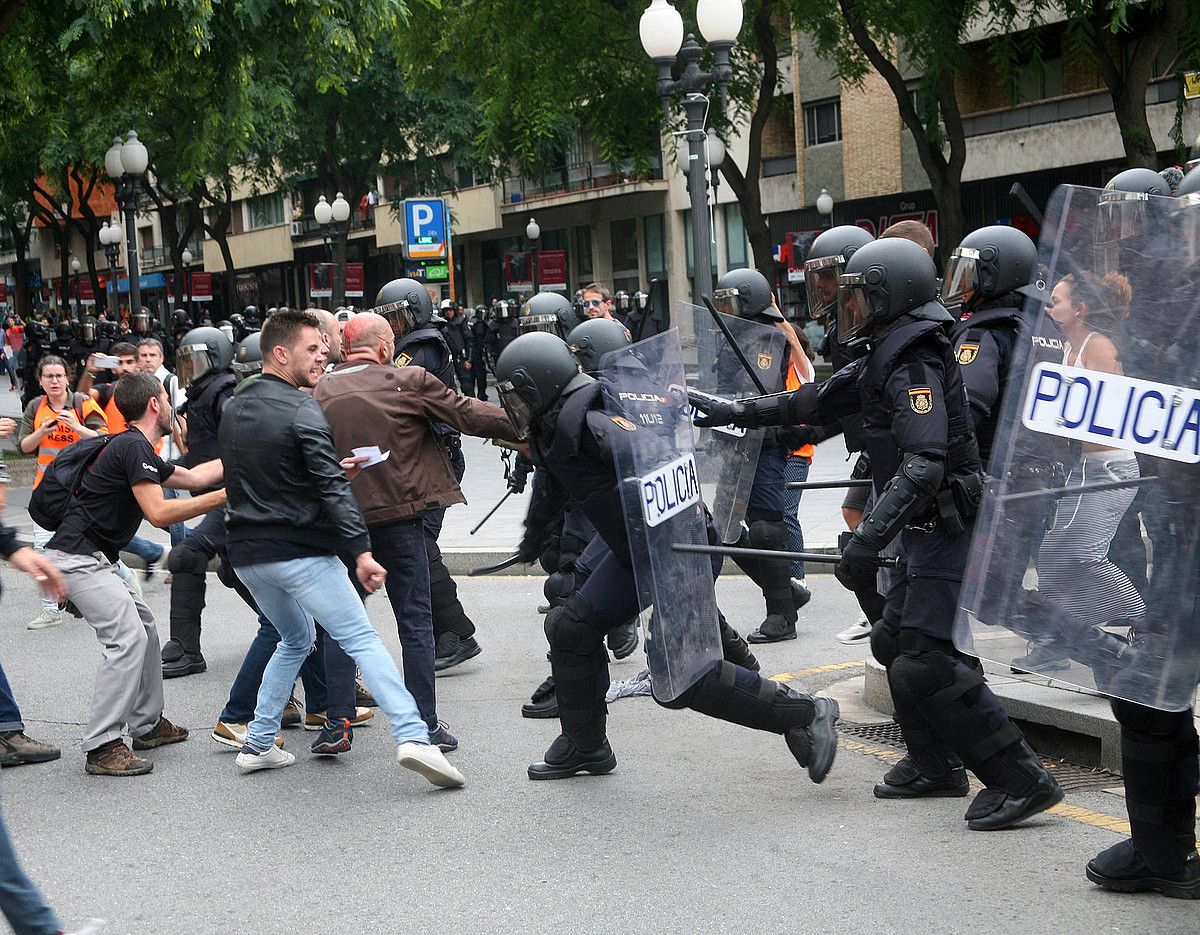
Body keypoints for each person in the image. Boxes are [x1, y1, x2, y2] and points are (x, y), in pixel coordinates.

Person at [692, 236, 1063, 829]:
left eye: (861, 298)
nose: (850, 308)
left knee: (926, 659)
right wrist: (727, 410)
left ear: (892, 298)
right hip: (925, 525)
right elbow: (813, 400)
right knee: (893, 643)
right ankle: (934, 765)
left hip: (948, 524)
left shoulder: (913, 358)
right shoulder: (887, 350)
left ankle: (1022, 780)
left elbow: (925, 462)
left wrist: (867, 541)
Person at [496, 331, 838, 782]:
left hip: (676, 543)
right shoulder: (558, 420)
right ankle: (585, 746)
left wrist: (643, 488)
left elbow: (653, 457)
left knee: (686, 677)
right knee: (571, 626)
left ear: (537, 385)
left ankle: (803, 713)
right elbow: (554, 480)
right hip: (637, 547)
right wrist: (534, 538)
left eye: (516, 397)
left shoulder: (592, 421)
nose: (513, 408)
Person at [218, 310, 464, 786]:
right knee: (362, 639)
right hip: (298, 552)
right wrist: (362, 551)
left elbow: (255, 478)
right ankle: (415, 736)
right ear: (281, 353)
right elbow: (330, 488)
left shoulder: (236, 406)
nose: (324, 355)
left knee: (296, 639)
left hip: (247, 555)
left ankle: (258, 741)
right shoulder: (301, 408)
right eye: (313, 348)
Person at [314, 312, 519, 750]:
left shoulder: (320, 389)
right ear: (386, 347)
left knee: (340, 624)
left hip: (347, 524)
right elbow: (467, 414)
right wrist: (524, 423)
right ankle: (425, 724)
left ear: (346, 348)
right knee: (415, 623)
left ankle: (337, 725)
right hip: (404, 518)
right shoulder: (408, 380)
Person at [44, 371, 226, 775]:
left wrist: (242, 457)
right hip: (76, 558)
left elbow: (195, 477)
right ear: (155, 405)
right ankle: (102, 744)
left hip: (94, 558)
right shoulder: (131, 448)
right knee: (126, 637)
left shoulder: (136, 449)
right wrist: (227, 496)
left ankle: (147, 724)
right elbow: (159, 514)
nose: (172, 407)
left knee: (144, 627)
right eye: (166, 397)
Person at [374, 279, 482, 671]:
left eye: (398, 317)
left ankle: (455, 633)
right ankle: (447, 634)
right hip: (426, 457)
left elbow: (391, 389)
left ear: (416, 311)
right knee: (417, 546)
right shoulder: (411, 345)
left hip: (436, 457)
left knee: (419, 545)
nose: (394, 326)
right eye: (387, 320)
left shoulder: (421, 346)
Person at [710, 268, 809, 643]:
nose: (724, 311)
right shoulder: (729, 340)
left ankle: (781, 615)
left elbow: (762, 391)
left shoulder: (769, 337)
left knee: (767, 529)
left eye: (729, 302)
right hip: (735, 445)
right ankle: (787, 587)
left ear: (749, 301)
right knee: (725, 533)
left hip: (765, 447)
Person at [803, 225, 878, 644]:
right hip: (867, 441)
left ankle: (886, 607)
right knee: (855, 518)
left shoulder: (866, 323)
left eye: (828, 275)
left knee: (867, 534)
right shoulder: (841, 324)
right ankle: (878, 607)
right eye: (818, 277)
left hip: (891, 443)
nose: (822, 285)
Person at [159, 327, 237, 677]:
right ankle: (293, 634)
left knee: (187, 554)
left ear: (217, 357)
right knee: (234, 569)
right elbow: (201, 455)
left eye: (197, 360)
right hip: (221, 494)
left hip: (236, 496)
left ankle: (187, 650)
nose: (190, 368)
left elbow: (237, 443)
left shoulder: (224, 391)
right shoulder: (202, 394)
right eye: (185, 361)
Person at [16, 356, 106, 630]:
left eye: (59, 376)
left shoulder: (82, 403)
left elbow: (105, 438)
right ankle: (50, 609)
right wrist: (42, 431)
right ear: (40, 381)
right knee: (43, 551)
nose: (54, 381)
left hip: (81, 490)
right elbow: (23, 447)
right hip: (46, 492)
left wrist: (76, 427)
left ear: (67, 378)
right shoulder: (35, 406)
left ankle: (124, 579)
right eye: (48, 377)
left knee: (92, 548)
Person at [76, 342, 168, 581]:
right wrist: (90, 370)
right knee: (126, 518)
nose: (125, 367)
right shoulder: (108, 390)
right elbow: (83, 396)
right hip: (121, 466)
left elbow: (172, 419)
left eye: (130, 361)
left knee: (161, 515)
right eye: (120, 362)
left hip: (149, 462)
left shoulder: (153, 389)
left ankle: (183, 555)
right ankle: (160, 553)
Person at [468, 305, 490, 400]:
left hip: (470, 350)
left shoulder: (471, 321)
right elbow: (480, 339)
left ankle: (471, 395)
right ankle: (481, 394)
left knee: (471, 375)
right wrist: (483, 354)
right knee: (480, 374)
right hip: (477, 351)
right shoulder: (479, 323)